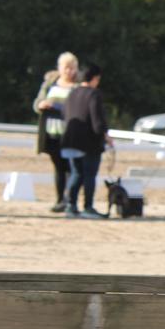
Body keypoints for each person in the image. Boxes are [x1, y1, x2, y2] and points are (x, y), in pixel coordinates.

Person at [60, 62, 112, 219]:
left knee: (76, 174)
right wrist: (104, 135)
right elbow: (97, 120)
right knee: (90, 174)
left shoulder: (72, 93)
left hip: (70, 139)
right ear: (95, 78)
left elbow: (65, 114)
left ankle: (70, 205)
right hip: (89, 142)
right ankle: (88, 207)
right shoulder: (94, 94)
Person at [33, 52, 80, 212]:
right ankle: (60, 199)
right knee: (59, 167)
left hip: (70, 133)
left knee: (71, 167)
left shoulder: (78, 87)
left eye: (72, 68)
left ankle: (69, 199)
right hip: (52, 132)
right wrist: (41, 105)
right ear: (60, 68)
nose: (69, 71)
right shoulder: (50, 84)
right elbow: (37, 103)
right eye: (66, 67)